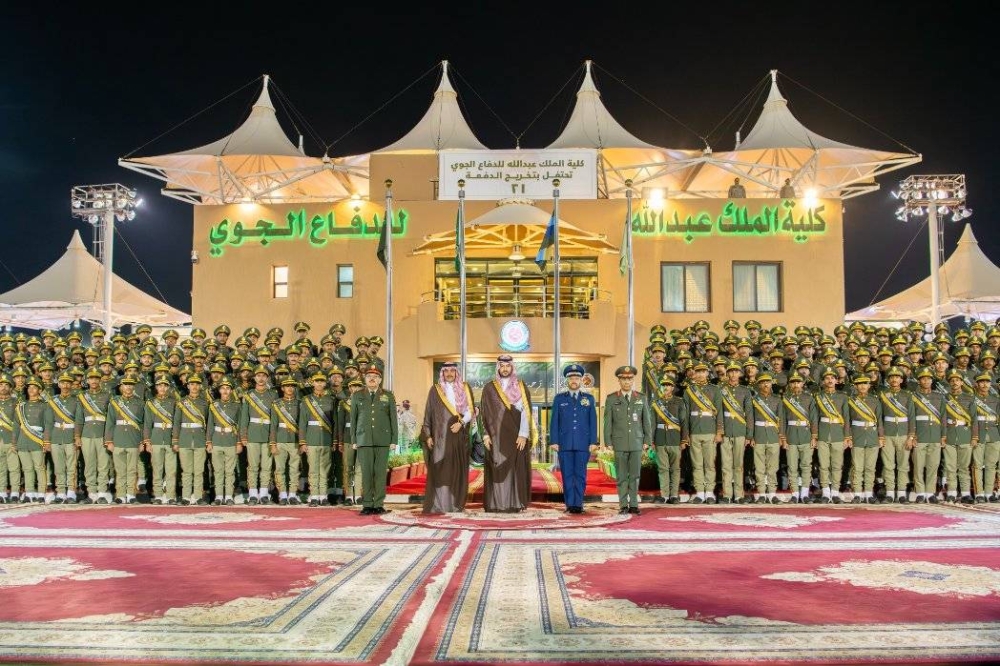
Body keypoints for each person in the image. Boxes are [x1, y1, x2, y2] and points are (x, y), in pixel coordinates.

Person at [479, 354, 534, 513]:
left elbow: (526, 412)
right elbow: (483, 413)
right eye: (502, 366)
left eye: (508, 366)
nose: (505, 369)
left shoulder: (521, 386)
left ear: (512, 367)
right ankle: (496, 503)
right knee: (496, 468)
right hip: (494, 437)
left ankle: (514, 503)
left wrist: (523, 434)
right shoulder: (489, 388)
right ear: (498, 367)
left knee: (515, 469)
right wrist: (485, 434)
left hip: (516, 436)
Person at [420, 362, 473, 514]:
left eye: (452, 371)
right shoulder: (435, 390)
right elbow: (428, 413)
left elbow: (470, 411)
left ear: (456, 373)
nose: (449, 373)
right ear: (442, 373)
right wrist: (428, 435)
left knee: (456, 470)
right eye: (446, 371)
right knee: (441, 469)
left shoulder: (465, 388)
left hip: (458, 436)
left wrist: (461, 423)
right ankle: (440, 505)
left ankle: (455, 504)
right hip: (440, 438)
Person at [603, 365, 653, 515]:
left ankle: (634, 505)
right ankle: (623, 505)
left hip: (637, 442)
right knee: (622, 476)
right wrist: (608, 442)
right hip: (619, 442)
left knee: (635, 475)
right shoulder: (612, 398)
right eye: (623, 379)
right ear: (619, 381)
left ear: (633, 380)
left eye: (629, 379)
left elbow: (646, 421)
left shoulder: (641, 398)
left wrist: (647, 440)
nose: (627, 382)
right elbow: (608, 422)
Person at [549, 364, 598, 514]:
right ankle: (570, 504)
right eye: (571, 378)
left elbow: (593, 421)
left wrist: (593, 442)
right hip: (564, 444)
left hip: (583, 444)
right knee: (567, 474)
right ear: (567, 380)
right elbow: (554, 421)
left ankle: (579, 503)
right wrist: (554, 441)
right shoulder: (559, 399)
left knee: (581, 475)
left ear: (581, 380)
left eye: (577, 378)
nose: (574, 380)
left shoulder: (589, 398)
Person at [351, 366, 397, 515]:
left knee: (380, 474)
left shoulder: (388, 396)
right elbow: (354, 419)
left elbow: (393, 419)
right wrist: (354, 439)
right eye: (369, 376)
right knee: (366, 473)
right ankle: (367, 505)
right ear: (365, 379)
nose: (372, 378)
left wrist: (394, 440)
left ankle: (378, 504)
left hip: (383, 440)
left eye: (375, 377)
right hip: (363, 439)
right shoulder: (357, 395)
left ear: (380, 380)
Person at [684, 362, 723, 504]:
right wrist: (686, 434)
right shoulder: (689, 391)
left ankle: (710, 492)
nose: (700, 374)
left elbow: (719, 412)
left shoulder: (715, 389)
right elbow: (685, 414)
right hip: (694, 431)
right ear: (694, 373)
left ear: (707, 373)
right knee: (697, 464)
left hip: (710, 431)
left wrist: (719, 432)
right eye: (698, 371)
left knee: (710, 464)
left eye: (703, 371)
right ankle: (700, 492)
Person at [240, 366, 277, 504]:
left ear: (267, 378)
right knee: (253, 467)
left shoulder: (273, 395)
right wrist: (243, 435)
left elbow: (275, 418)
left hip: (268, 434)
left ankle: (264, 494)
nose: (261, 378)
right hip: (253, 433)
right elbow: (244, 417)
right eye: (258, 376)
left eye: (263, 376)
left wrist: (273, 437)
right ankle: (253, 494)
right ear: (254, 378)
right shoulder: (249, 395)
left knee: (267, 467)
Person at [105, 376, 144, 504]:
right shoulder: (114, 402)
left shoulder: (140, 402)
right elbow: (110, 422)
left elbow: (143, 423)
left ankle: (131, 495)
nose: (128, 387)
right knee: (120, 470)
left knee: (132, 469)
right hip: (118, 439)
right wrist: (109, 441)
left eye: (130, 385)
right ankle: (121, 495)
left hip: (134, 439)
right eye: (126, 384)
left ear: (134, 387)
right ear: (121, 387)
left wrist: (142, 441)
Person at [879, 367, 916, 503]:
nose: (894, 379)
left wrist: (911, 436)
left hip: (904, 433)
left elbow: (912, 417)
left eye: (897, 377)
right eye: (891, 377)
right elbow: (879, 417)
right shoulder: (882, 395)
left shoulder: (907, 395)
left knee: (903, 465)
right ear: (888, 380)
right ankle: (889, 493)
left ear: (901, 380)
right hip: (887, 433)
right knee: (888, 465)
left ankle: (901, 493)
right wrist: (881, 435)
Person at [846, 375, 884, 504]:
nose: (862, 386)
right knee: (857, 467)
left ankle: (869, 494)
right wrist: (848, 436)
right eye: (860, 384)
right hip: (857, 435)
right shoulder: (851, 401)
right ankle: (857, 494)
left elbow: (879, 420)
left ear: (869, 385)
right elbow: (847, 420)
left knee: (870, 468)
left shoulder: (875, 400)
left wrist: (881, 437)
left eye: (865, 383)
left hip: (872, 436)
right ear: (856, 386)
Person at [299, 372, 335, 506]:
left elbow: (334, 422)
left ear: (325, 383)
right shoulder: (306, 400)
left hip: (326, 439)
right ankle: (314, 495)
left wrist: (334, 441)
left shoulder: (331, 400)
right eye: (317, 381)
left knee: (325, 469)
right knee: (313, 469)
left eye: (322, 381)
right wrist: (302, 441)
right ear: (312, 383)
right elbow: (302, 422)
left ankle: (323, 496)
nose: (319, 384)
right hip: (311, 439)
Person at [650, 375, 688, 504]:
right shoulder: (656, 403)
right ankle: (664, 495)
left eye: (668, 385)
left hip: (675, 439)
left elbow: (684, 422)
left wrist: (684, 440)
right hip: (660, 439)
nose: (666, 387)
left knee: (675, 469)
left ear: (673, 387)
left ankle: (674, 495)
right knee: (663, 469)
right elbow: (652, 424)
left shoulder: (679, 402)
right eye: (664, 385)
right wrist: (651, 440)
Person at [173, 375, 210, 505]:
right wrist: (175, 441)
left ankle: (198, 496)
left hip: (200, 439)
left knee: (199, 470)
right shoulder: (181, 403)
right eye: (192, 384)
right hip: (184, 438)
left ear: (200, 386)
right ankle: (186, 496)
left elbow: (208, 423)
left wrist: (208, 440)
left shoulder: (205, 403)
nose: (194, 387)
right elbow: (176, 422)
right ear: (188, 386)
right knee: (187, 470)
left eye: (197, 384)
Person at [815, 367, 850, 503]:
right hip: (823, 433)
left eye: (832, 378)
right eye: (827, 378)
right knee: (823, 465)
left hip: (838, 433)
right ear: (823, 381)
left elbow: (846, 418)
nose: (830, 380)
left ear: (836, 380)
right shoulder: (818, 397)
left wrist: (847, 437)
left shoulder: (843, 397)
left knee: (837, 465)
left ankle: (835, 492)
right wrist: (815, 435)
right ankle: (825, 492)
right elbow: (815, 418)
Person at [14, 377, 51, 503]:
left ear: (40, 390)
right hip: (23, 440)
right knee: (27, 468)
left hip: (38, 440)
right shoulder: (21, 406)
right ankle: (29, 493)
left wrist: (46, 441)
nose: (31, 389)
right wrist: (14, 442)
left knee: (39, 468)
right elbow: (16, 426)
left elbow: (47, 425)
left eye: (34, 387)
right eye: (29, 387)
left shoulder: (45, 406)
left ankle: (41, 493)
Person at [718, 362, 751, 503]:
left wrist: (749, 434)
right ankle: (727, 495)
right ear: (727, 373)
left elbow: (749, 414)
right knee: (726, 465)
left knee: (739, 465)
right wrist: (719, 431)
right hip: (725, 431)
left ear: (740, 373)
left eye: (736, 371)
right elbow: (718, 412)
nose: (733, 374)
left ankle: (738, 495)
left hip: (740, 431)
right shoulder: (721, 390)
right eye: (730, 371)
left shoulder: (745, 391)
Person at [780, 374, 817, 503]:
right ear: (790, 384)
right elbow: (782, 420)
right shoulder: (785, 399)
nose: (796, 384)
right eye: (793, 382)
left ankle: (805, 494)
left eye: (798, 382)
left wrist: (814, 436)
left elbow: (813, 418)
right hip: (791, 436)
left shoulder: (809, 398)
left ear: (803, 383)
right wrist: (783, 438)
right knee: (792, 467)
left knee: (806, 466)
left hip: (806, 435)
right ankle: (795, 494)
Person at [77, 369, 112, 503]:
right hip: (87, 434)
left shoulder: (107, 396)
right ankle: (91, 493)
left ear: (100, 380)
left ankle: (102, 492)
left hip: (102, 433)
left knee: (103, 465)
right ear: (87, 380)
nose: (94, 381)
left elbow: (110, 418)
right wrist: (77, 436)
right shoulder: (82, 396)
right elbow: (79, 418)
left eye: (96, 378)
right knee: (89, 465)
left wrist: (108, 436)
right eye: (91, 378)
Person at [944, 369, 979, 503]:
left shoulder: (969, 398)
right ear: (949, 383)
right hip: (950, 435)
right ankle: (951, 493)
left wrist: (974, 437)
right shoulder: (945, 398)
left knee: (964, 467)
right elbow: (942, 419)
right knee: (950, 467)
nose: (955, 382)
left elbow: (974, 419)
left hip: (965, 435)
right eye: (952, 380)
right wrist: (943, 435)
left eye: (957, 380)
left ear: (962, 382)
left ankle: (965, 494)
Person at [142, 374, 178, 504]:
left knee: (171, 470)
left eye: (165, 385)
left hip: (169, 439)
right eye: (159, 385)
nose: (162, 388)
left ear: (168, 387)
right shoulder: (150, 403)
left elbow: (177, 423)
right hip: (155, 438)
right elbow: (147, 424)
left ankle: (170, 495)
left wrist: (176, 439)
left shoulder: (174, 402)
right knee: (157, 469)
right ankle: (157, 495)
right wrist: (147, 441)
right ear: (156, 387)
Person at [207, 377, 242, 505]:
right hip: (216, 440)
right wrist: (209, 442)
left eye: (228, 388)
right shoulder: (214, 405)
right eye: (223, 388)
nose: (225, 391)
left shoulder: (237, 406)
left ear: (231, 390)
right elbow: (210, 425)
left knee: (230, 471)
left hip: (231, 440)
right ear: (219, 390)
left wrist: (239, 442)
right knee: (218, 471)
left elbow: (240, 425)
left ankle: (228, 496)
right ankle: (218, 496)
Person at [749, 374, 783, 503]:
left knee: (773, 467)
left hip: (773, 435)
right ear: (759, 385)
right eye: (762, 382)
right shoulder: (754, 400)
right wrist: (751, 436)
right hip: (759, 435)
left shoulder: (777, 399)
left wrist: (781, 436)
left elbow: (781, 419)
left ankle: (772, 494)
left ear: (771, 383)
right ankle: (762, 493)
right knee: (759, 468)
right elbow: (751, 419)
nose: (765, 384)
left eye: (767, 382)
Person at [48, 372, 82, 504]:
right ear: (59, 384)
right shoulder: (53, 401)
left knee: (71, 467)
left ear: (72, 385)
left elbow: (78, 420)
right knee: (59, 467)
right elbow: (48, 422)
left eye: (68, 383)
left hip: (71, 436)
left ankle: (71, 493)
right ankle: (61, 492)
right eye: (63, 383)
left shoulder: (76, 400)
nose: (66, 385)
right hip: (56, 436)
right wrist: (47, 440)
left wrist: (77, 436)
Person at [269, 376, 302, 505]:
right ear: (282, 388)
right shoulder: (276, 404)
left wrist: (302, 441)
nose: (290, 388)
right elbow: (273, 425)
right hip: (280, 439)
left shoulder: (300, 403)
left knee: (294, 469)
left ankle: (292, 494)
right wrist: (273, 443)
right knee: (279, 469)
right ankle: (282, 494)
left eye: (292, 386)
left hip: (295, 440)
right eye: (287, 386)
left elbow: (302, 424)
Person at [975, 371, 1000, 502]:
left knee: (991, 466)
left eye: (987, 382)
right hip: (978, 435)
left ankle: (989, 493)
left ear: (990, 384)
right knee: (977, 465)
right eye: (982, 382)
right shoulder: (972, 400)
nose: (984, 385)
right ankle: (979, 493)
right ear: (977, 384)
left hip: (994, 435)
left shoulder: (996, 400)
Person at [338, 377, 364, 505]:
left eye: (358, 386)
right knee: (348, 468)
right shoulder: (343, 403)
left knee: (359, 468)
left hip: (362, 439)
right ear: (349, 388)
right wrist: (340, 441)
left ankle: (358, 495)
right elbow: (340, 423)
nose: (356, 388)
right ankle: (348, 495)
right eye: (354, 386)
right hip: (348, 438)